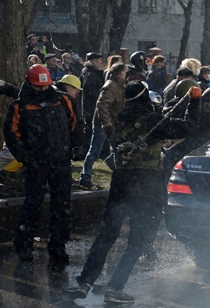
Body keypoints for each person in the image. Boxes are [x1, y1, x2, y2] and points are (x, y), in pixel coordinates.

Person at [63, 81, 201, 304]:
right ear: (146, 97)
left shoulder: (118, 120)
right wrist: (195, 101)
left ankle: (84, 282)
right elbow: (189, 127)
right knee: (138, 240)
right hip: (147, 186)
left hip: (121, 182)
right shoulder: (153, 122)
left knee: (106, 235)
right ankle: (115, 288)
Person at [3, 65, 81, 270]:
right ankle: (24, 246)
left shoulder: (63, 100)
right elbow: (12, 136)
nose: (42, 90)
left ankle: (58, 247)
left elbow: (76, 124)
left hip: (60, 162)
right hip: (37, 165)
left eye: (45, 86)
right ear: (30, 84)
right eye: (39, 87)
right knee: (32, 206)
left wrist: (75, 148)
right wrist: (26, 159)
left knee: (61, 207)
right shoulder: (20, 107)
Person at [80, 63, 126, 187]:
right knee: (95, 150)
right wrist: (106, 124)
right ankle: (85, 176)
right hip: (103, 124)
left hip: (111, 122)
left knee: (118, 148)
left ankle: (111, 162)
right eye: (125, 72)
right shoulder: (111, 86)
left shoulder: (118, 86)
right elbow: (102, 105)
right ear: (121, 73)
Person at [80, 52, 105, 155]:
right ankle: (88, 152)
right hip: (91, 107)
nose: (101, 62)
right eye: (99, 60)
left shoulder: (92, 72)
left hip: (92, 106)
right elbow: (89, 92)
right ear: (94, 61)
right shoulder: (90, 73)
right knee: (91, 130)